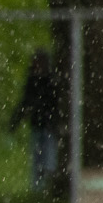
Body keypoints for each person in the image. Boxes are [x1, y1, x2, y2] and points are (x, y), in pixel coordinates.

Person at [9, 46, 65, 193]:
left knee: (49, 160)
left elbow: (54, 104)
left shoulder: (51, 80)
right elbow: (26, 102)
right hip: (38, 125)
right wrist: (16, 120)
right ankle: (39, 187)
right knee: (38, 159)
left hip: (49, 126)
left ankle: (49, 186)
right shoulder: (33, 81)